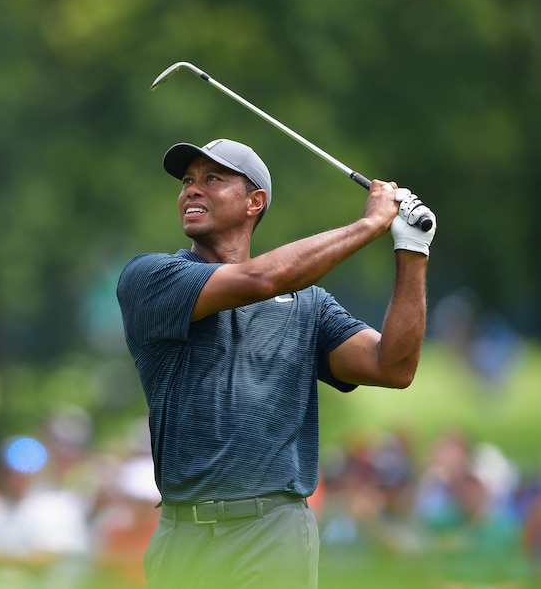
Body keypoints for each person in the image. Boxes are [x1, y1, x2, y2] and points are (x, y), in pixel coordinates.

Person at [116, 138, 436, 588]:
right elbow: (260, 279)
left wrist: (412, 252)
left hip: (272, 530)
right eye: (187, 181)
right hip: (182, 532)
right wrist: (370, 225)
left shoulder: (310, 304)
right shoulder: (151, 278)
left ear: (255, 202)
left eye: (213, 179)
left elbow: (393, 367)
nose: (192, 190)